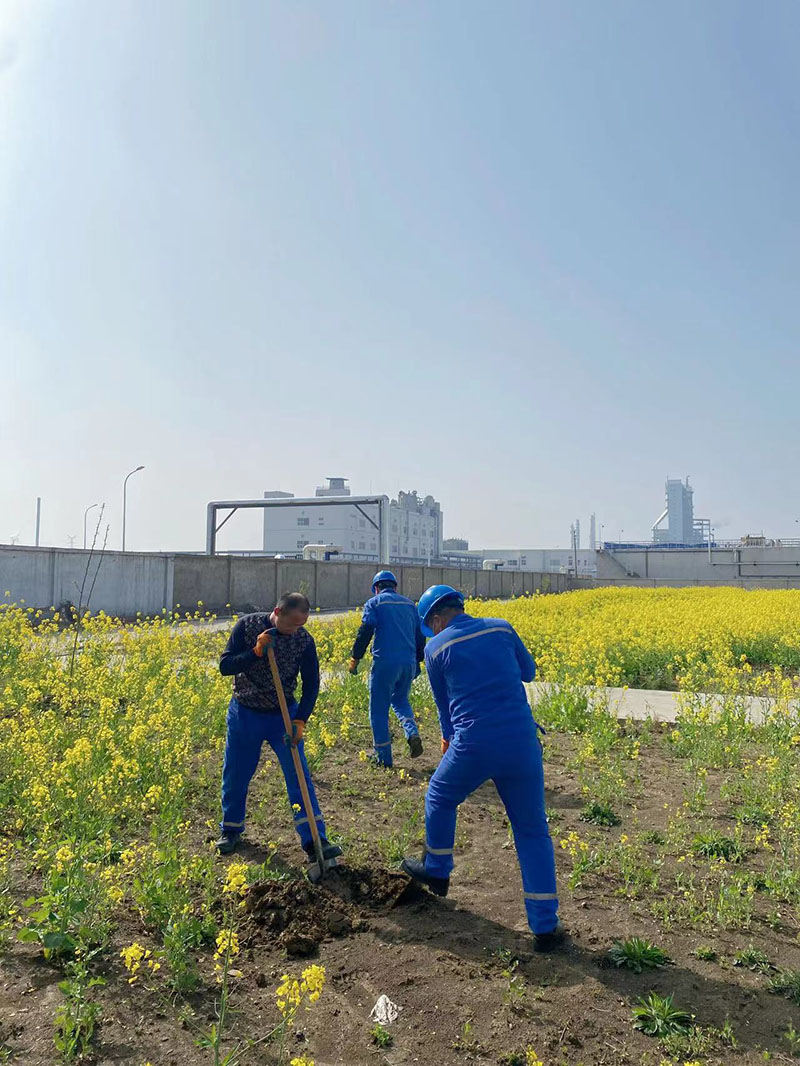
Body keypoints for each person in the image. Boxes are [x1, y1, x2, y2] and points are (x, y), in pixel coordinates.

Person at [401, 585, 564, 952]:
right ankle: (544, 927)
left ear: (437, 619)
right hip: (522, 740)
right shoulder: (502, 627)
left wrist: (446, 741)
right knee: (532, 830)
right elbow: (530, 672)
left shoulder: (435, 647)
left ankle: (438, 871)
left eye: (432, 626)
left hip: (473, 742)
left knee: (440, 796)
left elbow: (445, 707)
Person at [216, 591, 341, 864]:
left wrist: (300, 720)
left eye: (301, 625)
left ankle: (314, 840)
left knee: (299, 775)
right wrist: (255, 652)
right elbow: (225, 666)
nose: (295, 630)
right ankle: (231, 829)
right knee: (236, 773)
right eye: (291, 624)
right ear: (277, 612)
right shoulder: (248, 626)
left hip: (283, 715)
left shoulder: (303, 641)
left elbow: (311, 684)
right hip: (245, 713)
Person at [348, 570, 426, 767]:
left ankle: (383, 757)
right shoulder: (410, 605)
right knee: (400, 700)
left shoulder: (375, 603)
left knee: (378, 709)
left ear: (376, 588)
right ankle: (412, 732)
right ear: (395, 587)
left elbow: (365, 631)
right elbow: (420, 635)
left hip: (385, 663)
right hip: (408, 662)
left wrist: (355, 658)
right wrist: (418, 660)